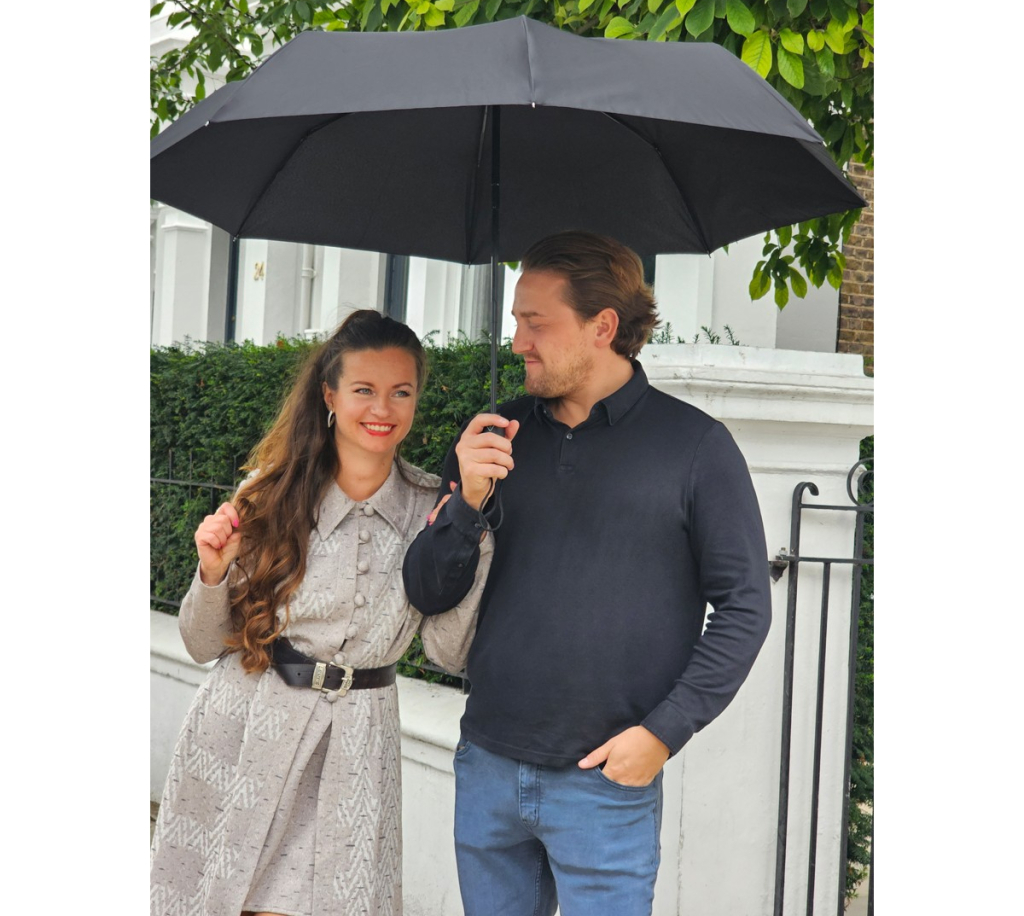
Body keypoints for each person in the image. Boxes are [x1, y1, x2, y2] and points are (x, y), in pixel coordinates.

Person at [403, 232, 772, 916]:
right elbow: (427, 591)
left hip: (605, 784)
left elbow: (746, 607)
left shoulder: (696, 448)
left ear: (602, 326)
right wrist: (467, 504)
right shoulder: (493, 438)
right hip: (487, 765)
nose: (518, 342)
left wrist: (663, 733)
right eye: (516, 321)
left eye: (536, 323)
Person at [151, 309, 491, 916]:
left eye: (401, 391)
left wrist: (471, 531)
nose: (382, 408)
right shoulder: (268, 493)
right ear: (330, 396)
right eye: (363, 389)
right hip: (248, 729)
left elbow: (447, 651)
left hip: (358, 747)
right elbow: (202, 644)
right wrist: (212, 572)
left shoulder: (437, 512)